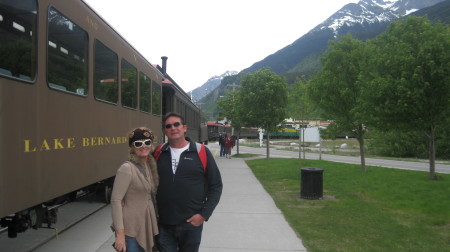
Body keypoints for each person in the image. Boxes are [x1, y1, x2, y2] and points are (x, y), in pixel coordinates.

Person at [155, 112, 223, 252]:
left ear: (184, 128)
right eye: (168, 126)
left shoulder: (201, 152)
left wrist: (204, 214)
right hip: (163, 224)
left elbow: (216, 185)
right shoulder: (158, 153)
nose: (173, 128)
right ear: (164, 131)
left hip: (191, 224)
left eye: (176, 124)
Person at [111, 127, 159, 252]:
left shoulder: (149, 165)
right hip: (131, 228)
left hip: (146, 223)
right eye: (138, 144)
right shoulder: (127, 168)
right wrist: (120, 235)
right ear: (132, 148)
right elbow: (115, 201)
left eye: (147, 142)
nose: (143, 146)